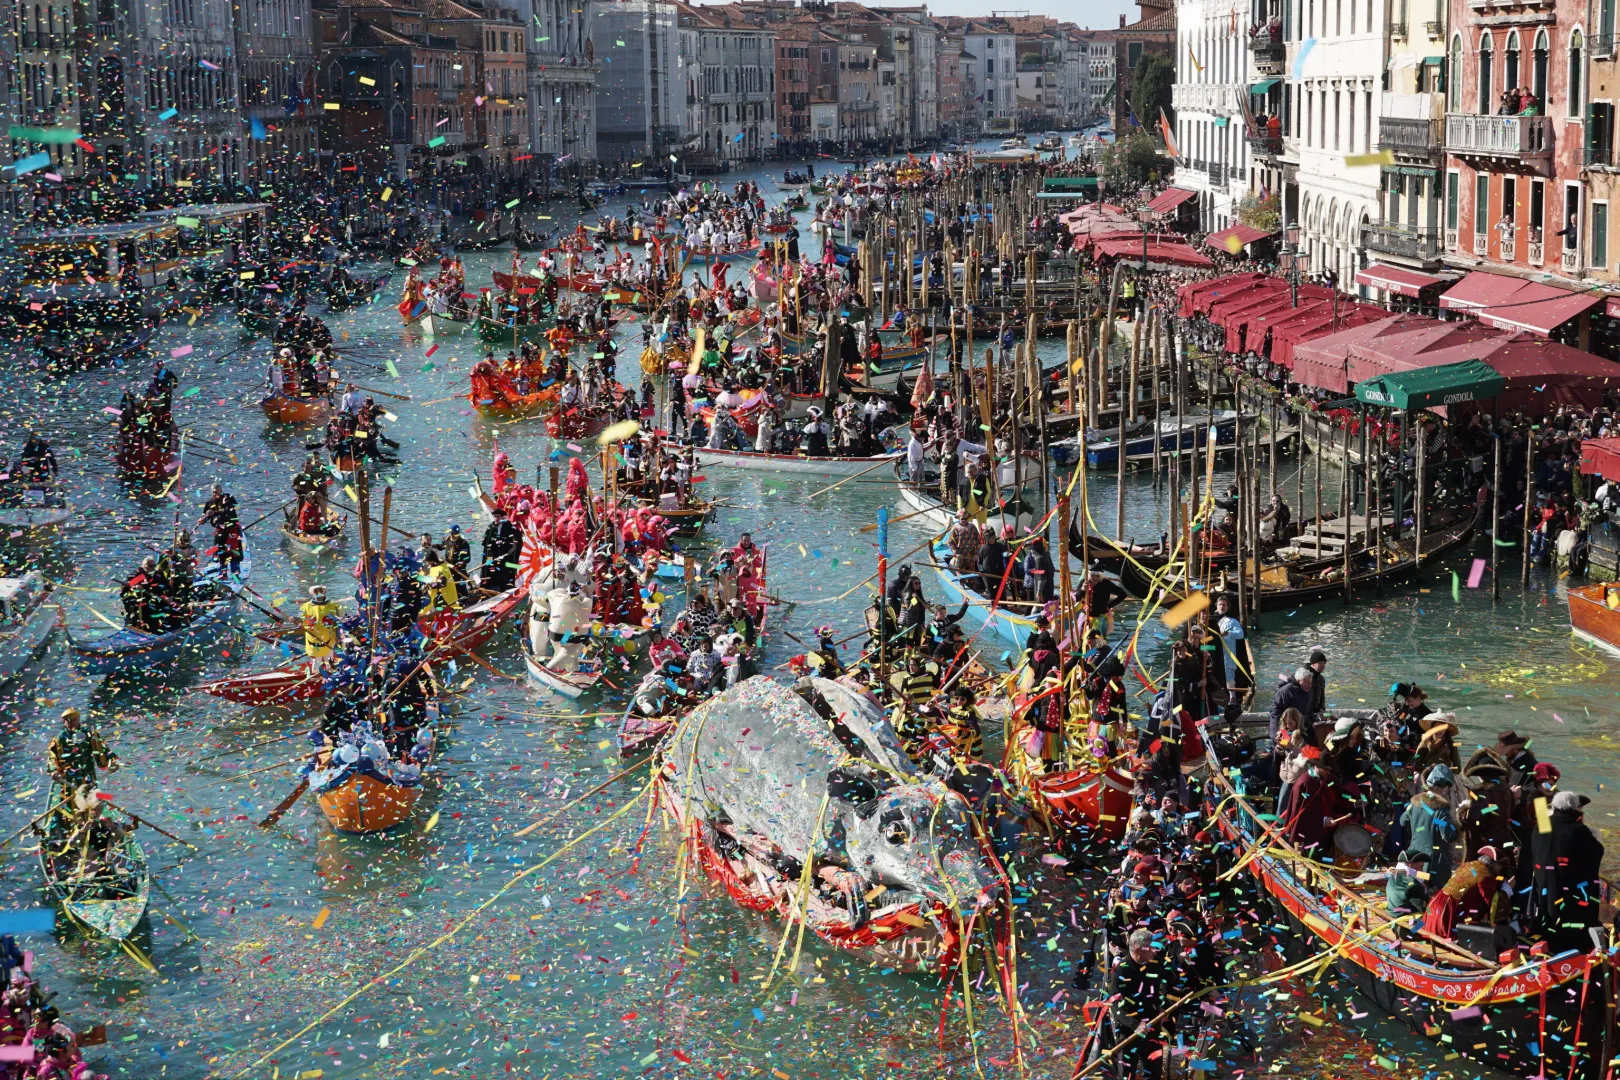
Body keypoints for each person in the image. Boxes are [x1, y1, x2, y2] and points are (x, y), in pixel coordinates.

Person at [1534, 790, 1605, 951]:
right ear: (1574, 809)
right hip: (1569, 891)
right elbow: (1596, 852)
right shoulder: (1578, 830)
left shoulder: (1542, 825)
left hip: (1544, 884)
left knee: (1548, 917)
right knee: (1570, 921)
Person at [1424, 848, 1505, 940]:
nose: (1501, 869)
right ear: (1495, 865)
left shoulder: (1468, 865)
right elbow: (1491, 900)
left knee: (1432, 938)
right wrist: (1506, 890)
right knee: (1448, 941)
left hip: (1436, 901)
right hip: (1448, 908)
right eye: (1500, 865)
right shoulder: (1485, 875)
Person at [1399, 765, 1458, 887]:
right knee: (1435, 896)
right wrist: (1458, 824)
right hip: (1435, 862)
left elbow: (1403, 821)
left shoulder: (1415, 804)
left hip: (1414, 856)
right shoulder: (1441, 809)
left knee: (1417, 891)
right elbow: (1448, 835)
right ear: (1445, 787)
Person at [47, 709, 115, 791]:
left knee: (93, 800)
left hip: (89, 778)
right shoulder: (59, 739)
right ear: (64, 721)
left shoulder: (88, 733)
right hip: (69, 781)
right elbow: (52, 757)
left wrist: (112, 760)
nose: (72, 723)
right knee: (72, 801)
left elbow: (101, 747)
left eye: (74, 720)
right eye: (68, 720)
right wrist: (53, 770)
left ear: (78, 719)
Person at [200, 483, 244, 571]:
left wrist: (215, 512)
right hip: (220, 531)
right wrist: (203, 520)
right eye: (213, 492)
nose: (215, 494)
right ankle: (222, 574)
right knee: (221, 553)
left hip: (232, 530)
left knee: (234, 553)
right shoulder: (209, 502)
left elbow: (231, 510)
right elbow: (206, 516)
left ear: (221, 491)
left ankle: (235, 574)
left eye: (217, 492)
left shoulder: (228, 498)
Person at [300, 585, 342, 659]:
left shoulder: (333, 605)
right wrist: (294, 619)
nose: (318, 594)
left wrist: (339, 635)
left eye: (320, 591)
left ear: (324, 592)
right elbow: (299, 618)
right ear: (313, 593)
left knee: (329, 659)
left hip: (329, 637)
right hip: (313, 637)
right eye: (316, 592)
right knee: (316, 661)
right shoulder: (306, 606)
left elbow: (338, 622)